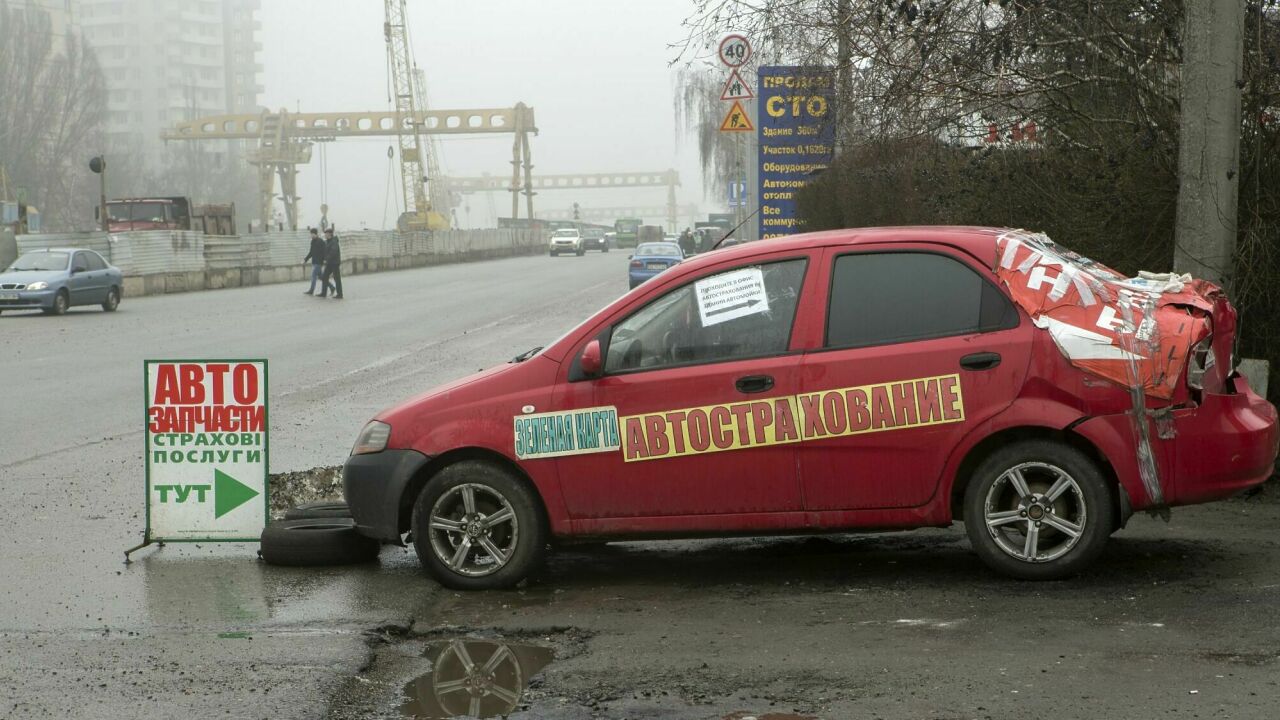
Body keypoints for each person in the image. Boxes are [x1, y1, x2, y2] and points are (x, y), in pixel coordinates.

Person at [318, 227, 343, 299]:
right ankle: (323, 293)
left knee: (337, 278)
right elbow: (325, 252)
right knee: (324, 277)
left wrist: (327, 259)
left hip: (334, 263)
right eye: (325, 233)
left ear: (330, 234)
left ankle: (340, 294)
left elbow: (333, 252)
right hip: (330, 263)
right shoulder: (328, 242)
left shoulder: (334, 242)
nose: (325, 235)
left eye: (326, 233)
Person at [302, 228, 326, 295]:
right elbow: (311, 252)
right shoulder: (312, 241)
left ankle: (311, 290)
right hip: (314, 261)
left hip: (319, 262)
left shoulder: (321, 242)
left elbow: (324, 252)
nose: (311, 235)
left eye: (312, 234)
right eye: (311, 234)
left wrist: (324, 260)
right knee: (321, 277)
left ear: (316, 234)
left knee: (313, 276)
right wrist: (305, 259)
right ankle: (332, 287)